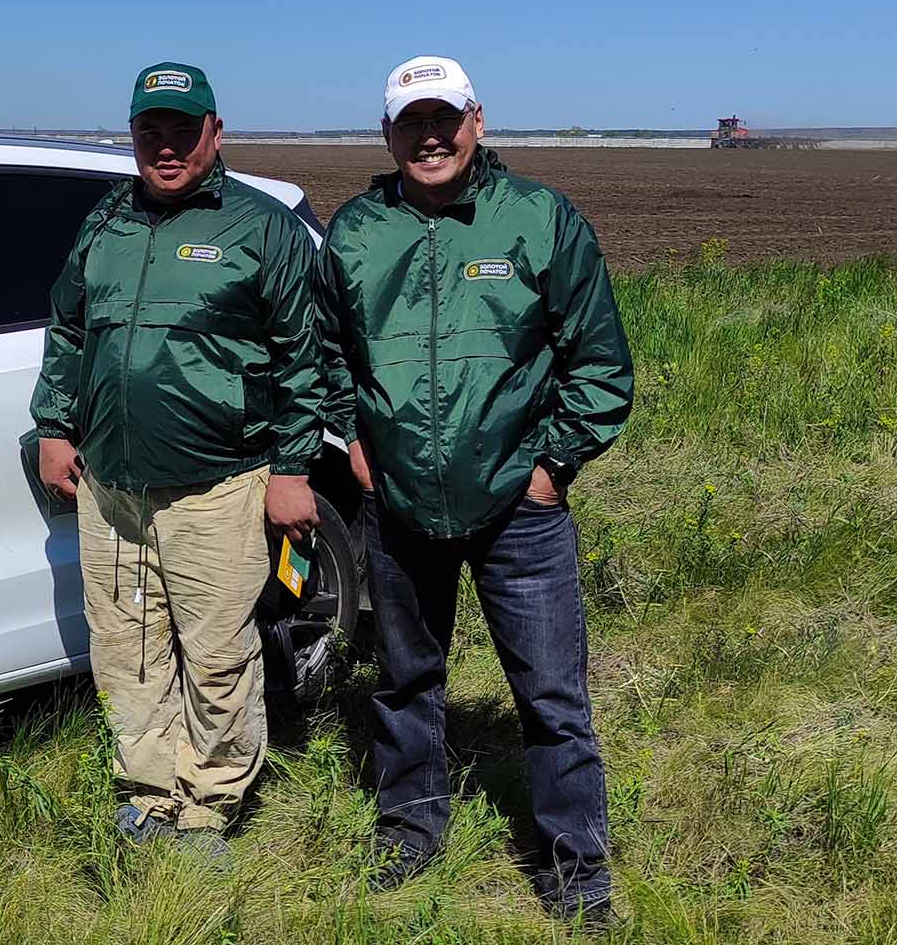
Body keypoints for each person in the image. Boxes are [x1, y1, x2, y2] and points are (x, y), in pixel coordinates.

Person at [314, 55, 633, 924]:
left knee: (552, 695)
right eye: (411, 121)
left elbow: (600, 363)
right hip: (402, 508)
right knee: (405, 680)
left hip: (516, 512)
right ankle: (410, 832)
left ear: (477, 121)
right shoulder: (355, 232)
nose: (430, 136)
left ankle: (577, 865)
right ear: (387, 132)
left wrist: (550, 469)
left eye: (444, 118)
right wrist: (352, 438)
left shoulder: (536, 218)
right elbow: (324, 353)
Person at [31, 61, 325, 852]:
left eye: (182, 131)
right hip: (112, 486)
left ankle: (209, 802)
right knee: (126, 648)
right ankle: (148, 790)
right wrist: (54, 423)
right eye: (150, 130)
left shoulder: (259, 227)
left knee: (218, 654)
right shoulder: (106, 221)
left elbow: (306, 357)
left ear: (214, 133)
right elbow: (67, 329)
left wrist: (293, 468)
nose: (166, 147)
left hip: (217, 487)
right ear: (132, 134)